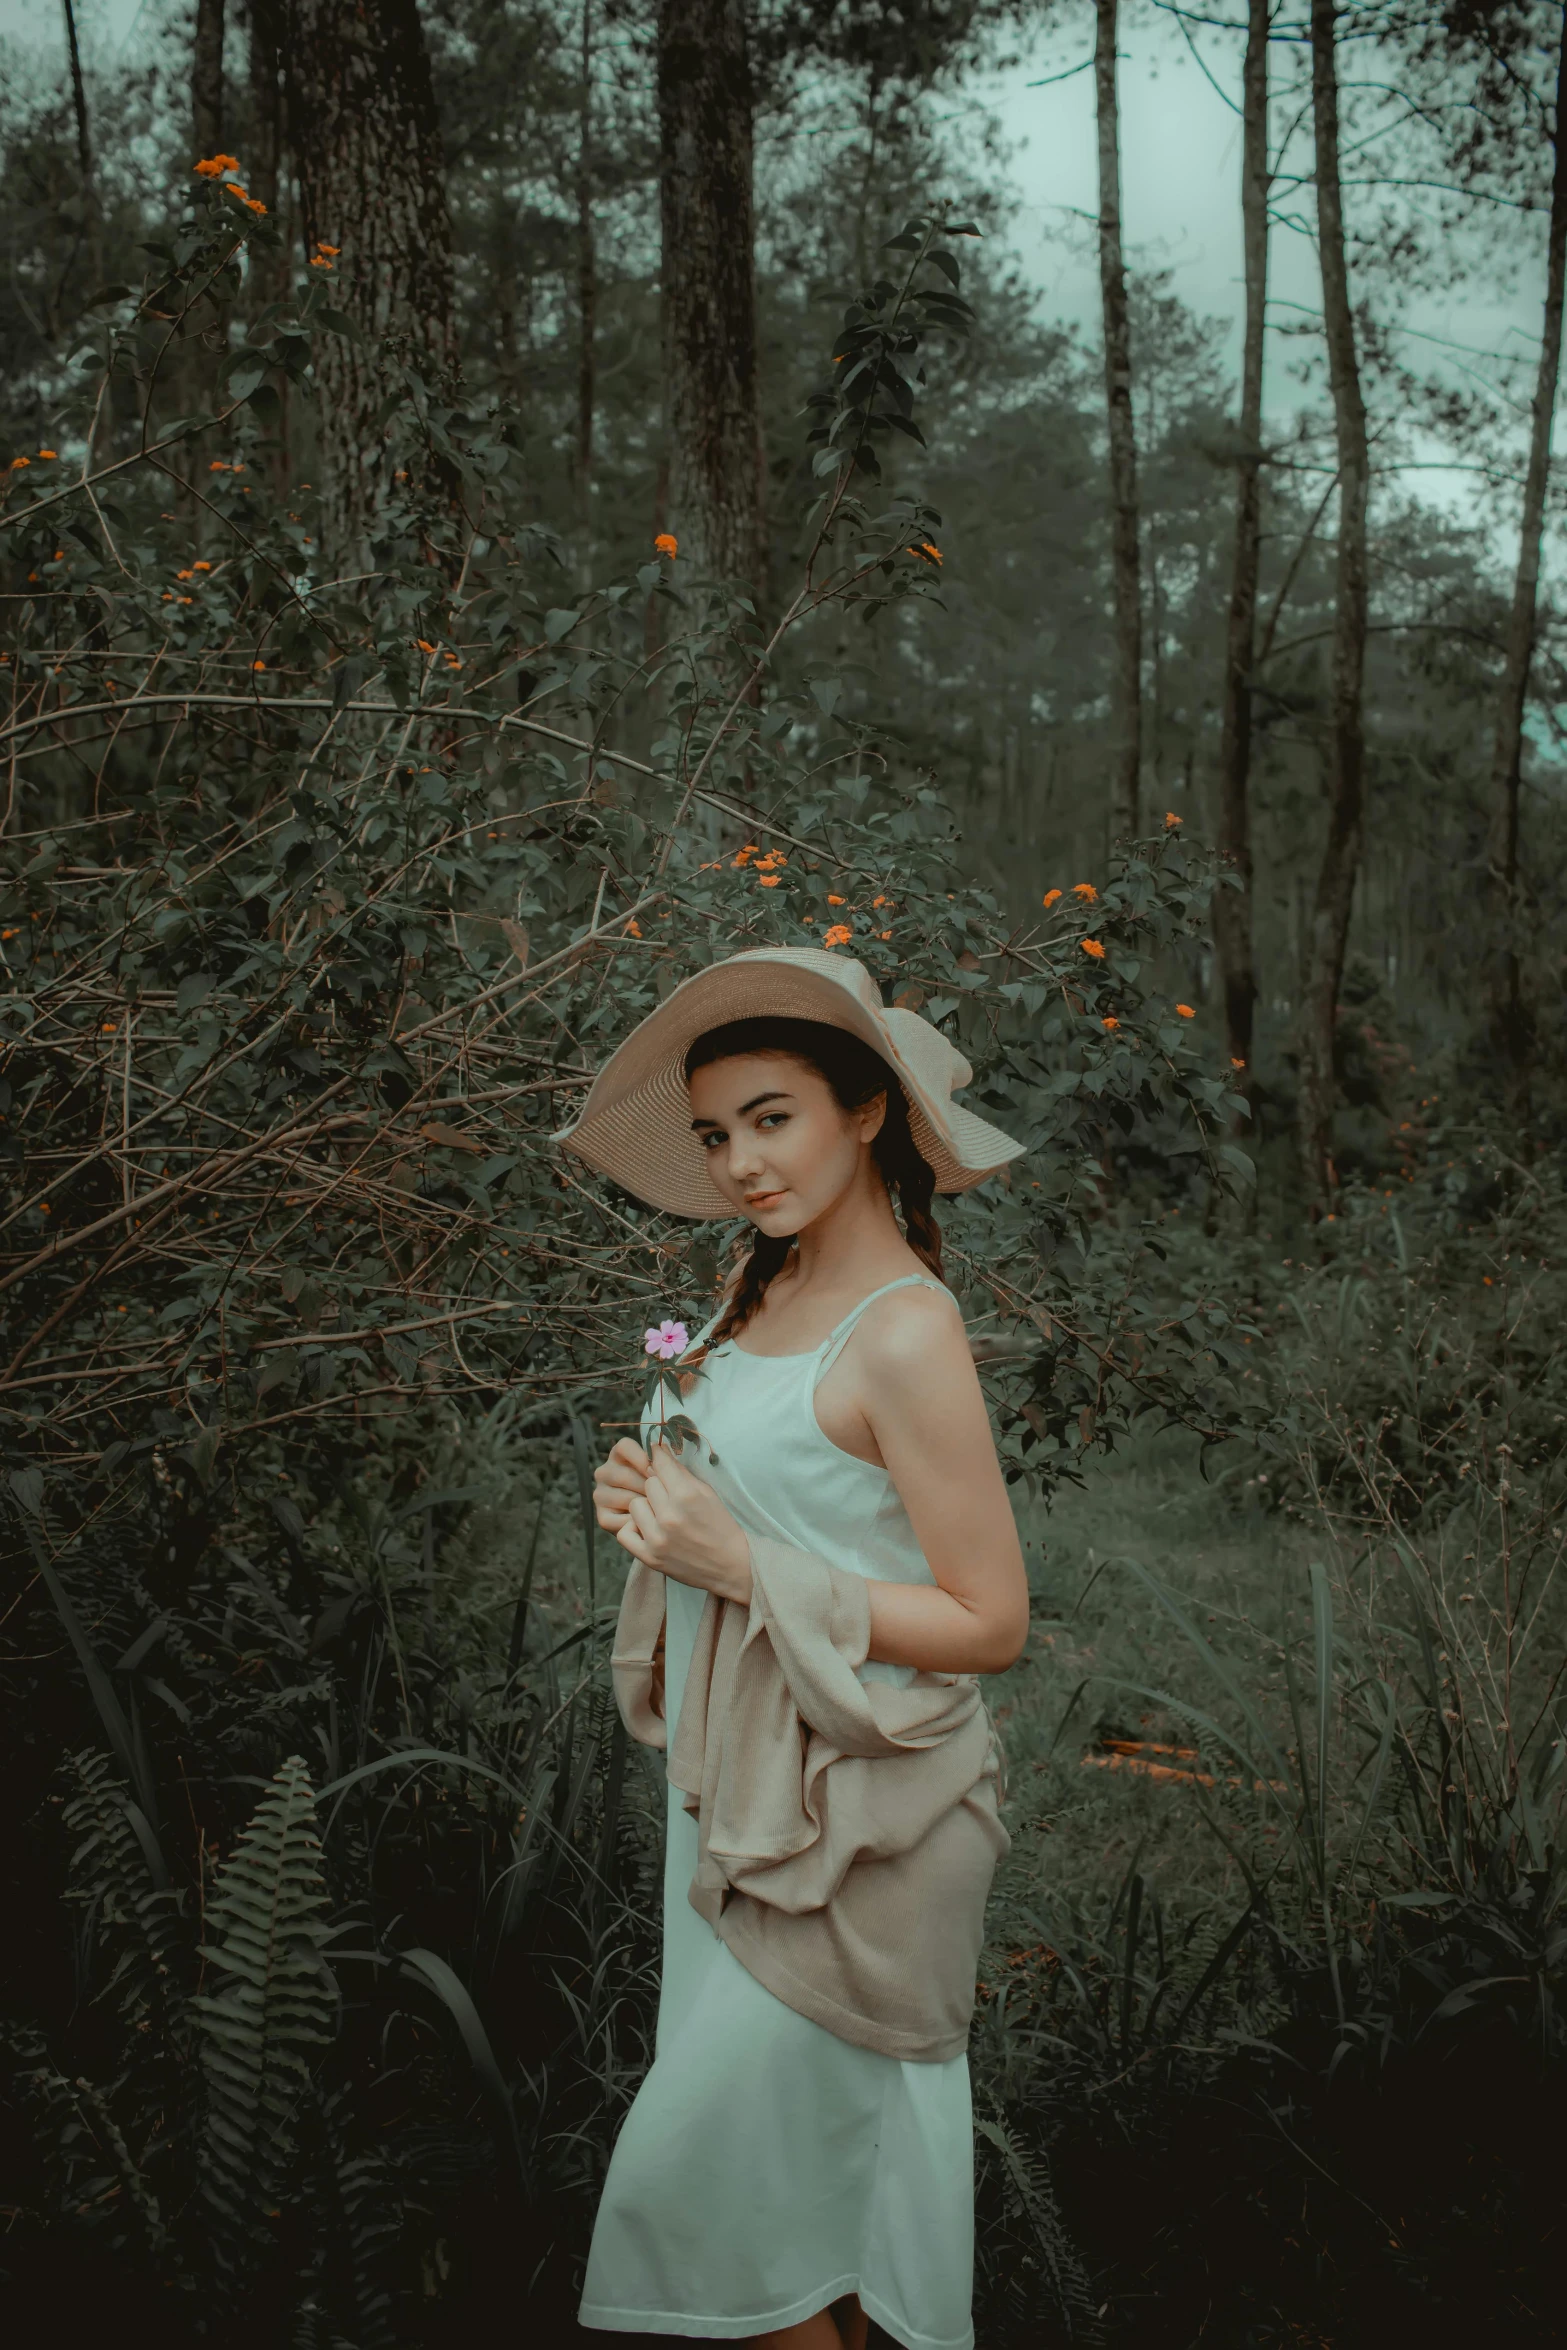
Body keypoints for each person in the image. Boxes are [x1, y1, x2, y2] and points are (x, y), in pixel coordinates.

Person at [556, 944, 1031, 2350]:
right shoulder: (746, 1300)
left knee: (698, 2201)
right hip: (738, 1801)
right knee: (791, 2223)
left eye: (772, 1117)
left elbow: (988, 1620)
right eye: (714, 1134)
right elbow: (763, 1503)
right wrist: (651, 1505)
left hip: (867, 1820)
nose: (740, 1161)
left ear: (863, 1110)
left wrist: (738, 1559)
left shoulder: (904, 1331)